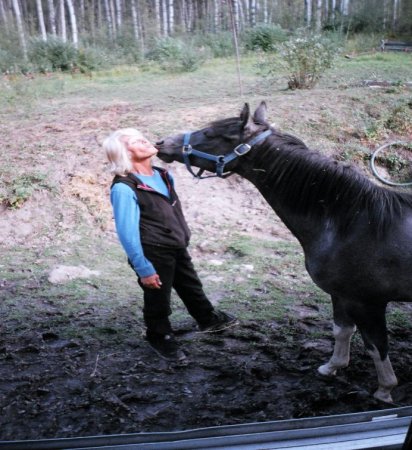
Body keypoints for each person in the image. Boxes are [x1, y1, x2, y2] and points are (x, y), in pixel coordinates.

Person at [103, 128, 237, 361]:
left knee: (190, 285)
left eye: (142, 136)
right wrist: (143, 268)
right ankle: (159, 335)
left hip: (175, 243)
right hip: (152, 250)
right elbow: (127, 233)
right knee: (158, 295)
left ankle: (207, 319)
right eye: (135, 141)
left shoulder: (163, 174)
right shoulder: (124, 187)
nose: (144, 140)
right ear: (125, 153)